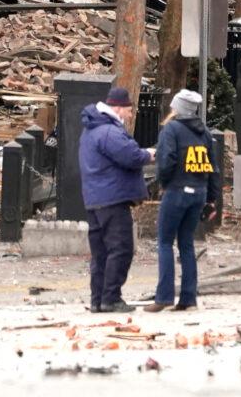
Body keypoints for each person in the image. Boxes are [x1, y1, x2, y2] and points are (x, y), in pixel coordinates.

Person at [144, 89, 220, 312]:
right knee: (186, 244)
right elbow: (213, 168)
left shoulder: (172, 130)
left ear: (178, 108)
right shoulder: (204, 133)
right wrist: (212, 199)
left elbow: (166, 161)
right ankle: (188, 298)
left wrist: (164, 184)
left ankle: (165, 296)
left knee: (165, 242)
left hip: (176, 190)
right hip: (198, 193)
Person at [79, 86, 154, 313]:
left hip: (95, 198)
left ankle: (98, 299)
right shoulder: (109, 132)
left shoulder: (91, 129)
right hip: (112, 198)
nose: (131, 115)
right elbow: (130, 156)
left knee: (100, 252)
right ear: (119, 109)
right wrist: (148, 154)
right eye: (130, 111)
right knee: (121, 249)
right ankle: (111, 297)